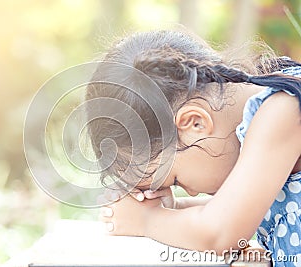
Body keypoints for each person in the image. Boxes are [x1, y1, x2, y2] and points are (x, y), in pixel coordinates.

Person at [85, 28, 301, 266]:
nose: (190, 191)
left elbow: (220, 232)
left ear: (195, 123)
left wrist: (146, 219)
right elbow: (247, 204)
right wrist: (174, 207)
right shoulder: (268, 105)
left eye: (176, 181)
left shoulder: (283, 110)